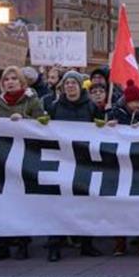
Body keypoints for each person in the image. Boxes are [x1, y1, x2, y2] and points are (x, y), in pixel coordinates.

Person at [0, 66, 44, 262]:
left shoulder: (32, 100)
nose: (10, 82)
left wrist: (25, 120)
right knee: (2, 199)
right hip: (1, 158)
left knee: (21, 200)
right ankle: (3, 245)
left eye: (14, 79)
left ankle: (22, 243)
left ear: (21, 82)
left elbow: (42, 124)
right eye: (6, 79)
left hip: (24, 157)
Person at [44, 70, 102, 261]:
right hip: (61, 161)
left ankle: (87, 243)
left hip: (84, 162)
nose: (70, 86)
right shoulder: (53, 107)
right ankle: (55, 245)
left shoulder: (92, 107)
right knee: (58, 204)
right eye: (66, 83)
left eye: (73, 83)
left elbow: (101, 131)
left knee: (85, 203)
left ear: (79, 86)